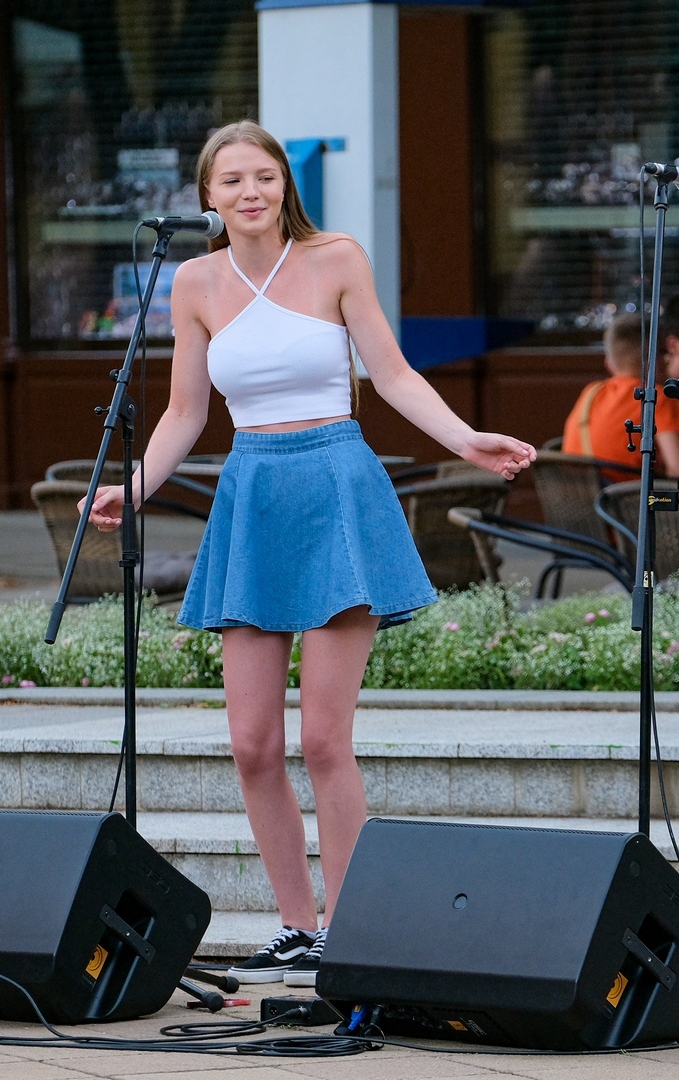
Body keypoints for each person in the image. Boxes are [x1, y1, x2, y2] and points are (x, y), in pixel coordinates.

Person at [83, 120, 534, 988]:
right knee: (252, 742)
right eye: (231, 181)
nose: (249, 192)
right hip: (252, 491)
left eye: (263, 176)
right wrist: (131, 487)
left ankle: (352, 929)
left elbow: (392, 374)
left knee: (324, 739)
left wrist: (465, 438)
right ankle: (297, 925)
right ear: (207, 196)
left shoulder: (336, 259)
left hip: (336, 484)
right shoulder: (194, 282)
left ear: (284, 184)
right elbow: (184, 412)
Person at [561, 294, 679, 480]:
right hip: (632, 495)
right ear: (657, 358)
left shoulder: (591, 392)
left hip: (579, 496)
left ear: (609, 363)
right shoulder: (655, 398)